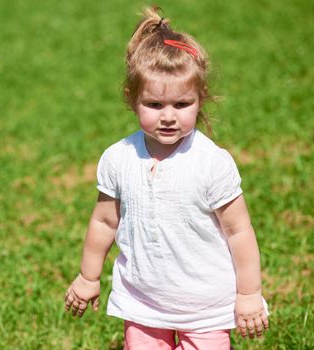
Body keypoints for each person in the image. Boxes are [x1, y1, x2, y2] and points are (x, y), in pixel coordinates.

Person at [63, 6, 269, 350]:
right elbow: (103, 221)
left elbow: (238, 230)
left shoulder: (211, 163)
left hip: (205, 306)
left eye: (182, 104)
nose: (169, 117)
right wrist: (88, 276)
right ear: (132, 100)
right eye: (155, 105)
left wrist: (249, 294)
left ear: (199, 100)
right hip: (143, 302)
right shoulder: (118, 158)